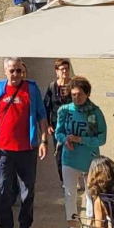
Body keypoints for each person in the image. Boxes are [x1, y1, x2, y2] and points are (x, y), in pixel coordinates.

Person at [0, 57, 48, 228]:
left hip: (27, 149)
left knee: (27, 191)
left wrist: (44, 141)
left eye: (19, 71)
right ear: (5, 71)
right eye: (12, 71)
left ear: (23, 71)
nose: (16, 74)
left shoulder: (32, 89)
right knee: (3, 190)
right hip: (4, 150)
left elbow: (41, 115)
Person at [54, 74, 106, 228]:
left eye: (80, 94)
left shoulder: (95, 112)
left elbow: (102, 138)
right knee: (69, 193)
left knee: (91, 193)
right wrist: (65, 140)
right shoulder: (65, 110)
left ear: (87, 94)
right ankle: (73, 227)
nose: (77, 98)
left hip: (90, 158)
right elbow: (58, 132)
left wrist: (82, 140)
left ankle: (90, 227)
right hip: (69, 158)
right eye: (74, 94)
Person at [44, 58, 74, 191]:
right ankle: (64, 180)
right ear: (57, 72)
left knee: (74, 152)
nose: (65, 72)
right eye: (62, 70)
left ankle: (74, 177)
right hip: (57, 127)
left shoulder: (74, 86)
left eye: (67, 69)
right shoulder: (52, 87)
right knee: (59, 153)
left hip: (73, 125)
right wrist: (48, 125)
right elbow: (46, 107)